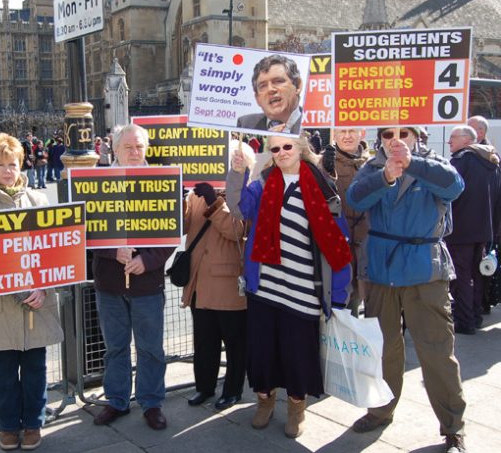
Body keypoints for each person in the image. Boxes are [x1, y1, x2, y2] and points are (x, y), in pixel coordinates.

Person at [346, 126, 467, 453]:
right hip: (382, 272)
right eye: (387, 134)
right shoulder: (372, 168)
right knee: (383, 349)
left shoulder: (434, 162)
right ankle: (381, 411)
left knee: (437, 352)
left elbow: (454, 186)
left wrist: (411, 164)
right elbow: (355, 199)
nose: (394, 139)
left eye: (403, 132)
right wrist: (385, 175)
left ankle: (453, 427)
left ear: (418, 136)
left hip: (424, 271)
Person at [226, 135, 352, 438]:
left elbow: (338, 244)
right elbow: (238, 207)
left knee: (298, 354)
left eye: (287, 146)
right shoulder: (262, 182)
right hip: (265, 285)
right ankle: (264, 401)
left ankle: (297, 408)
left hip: (303, 288)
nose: (281, 152)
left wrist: (337, 294)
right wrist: (237, 172)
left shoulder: (321, 187)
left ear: (300, 149)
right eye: (275, 148)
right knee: (262, 351)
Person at [0, 133, 64, 450]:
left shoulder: (38, 200)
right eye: (1, 164)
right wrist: (19, 287)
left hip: (38, 299)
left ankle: (33, 423)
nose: (8, 170)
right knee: (4, 370)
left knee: (35, 367)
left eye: (13, 163)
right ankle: (8, 426)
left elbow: (55, 251)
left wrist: (44, 286)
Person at [91, 123, 175, 430]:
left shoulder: (162, 182)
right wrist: (115, 252)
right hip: (110, 283)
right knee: (115, 347)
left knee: (151, 347)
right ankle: (117, 401)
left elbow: (171, 233)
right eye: (128, 147)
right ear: (114, 149)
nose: (135, 152)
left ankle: (152, 403)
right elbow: (86, 230)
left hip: (147, 283)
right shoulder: (97, 182)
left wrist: (147, 259)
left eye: (139, 146)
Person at [183, 181, 247, 411]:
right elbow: (180, 226)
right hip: (199, 281)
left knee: (234, 342)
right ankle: (204, 387)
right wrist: (178, 199)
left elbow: (237, 230)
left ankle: (232, 391)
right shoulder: (194, 194)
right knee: (204, 341)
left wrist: (214, 201)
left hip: (228, 281)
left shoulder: (243, 193)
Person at [445, 125, 501, 334]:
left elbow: (448, 194)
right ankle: (475, 316)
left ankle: (465, 320)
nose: (449, 142)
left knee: (460, 277)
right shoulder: (492, 163)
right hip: (484, 231)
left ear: (468, 140)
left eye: (453, 138)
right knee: (477, 276)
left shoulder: (461, 161)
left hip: (461, 230)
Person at [322, 128, 370, 317]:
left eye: (352, 131)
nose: (347, 136)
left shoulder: (372, 165)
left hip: (366, 244)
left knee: (364, 299)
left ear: (362, 133)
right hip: (338, 244)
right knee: (339, 302)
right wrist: (325, 171)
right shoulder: (324, 161)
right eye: (342, 131)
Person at [236, 55, 303, 135]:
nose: (270, 89)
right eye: (263, 86)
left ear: (298, 86)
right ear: (257, 99)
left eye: (278, 81)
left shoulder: (316, 127)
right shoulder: (245, 125)